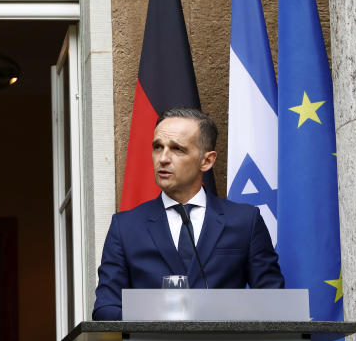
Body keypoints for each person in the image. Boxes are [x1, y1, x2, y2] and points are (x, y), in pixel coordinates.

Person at [92, 108, 283, 320]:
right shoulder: (125, 227)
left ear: (207, 161)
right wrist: (160, 320)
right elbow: (105, 309)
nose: (163, 158)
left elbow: (273, 301)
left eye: (177, 149)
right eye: (158, 147)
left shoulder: (245, 221)